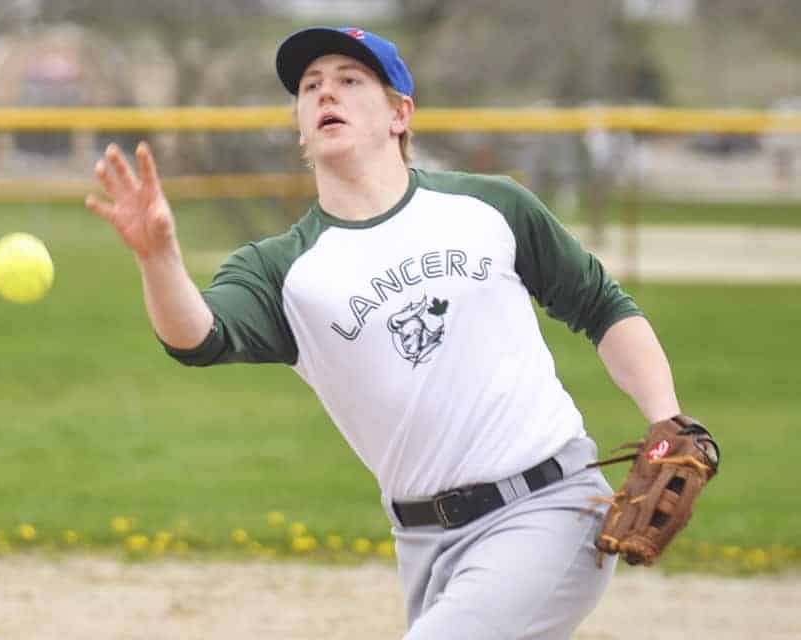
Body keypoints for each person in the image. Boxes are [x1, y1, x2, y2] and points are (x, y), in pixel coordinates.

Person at [85, 26, 685, 640]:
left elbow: (602, 306)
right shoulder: (283, 268)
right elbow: (197, 336)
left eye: (350, 80)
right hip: (423, 540)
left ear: (400, 113)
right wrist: (158, 259)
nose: (325, 95)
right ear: (299, 126)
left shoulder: (489, 208)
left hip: (550, 508)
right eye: (310, 87)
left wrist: (671, 422)